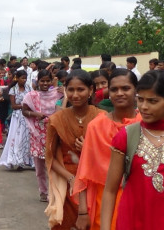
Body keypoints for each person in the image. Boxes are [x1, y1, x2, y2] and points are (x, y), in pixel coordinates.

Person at [73, 69, 140, 230]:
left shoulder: (145, 124)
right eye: (114, 89)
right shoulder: (96, 126)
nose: (119, 93)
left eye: (125, 88)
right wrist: (82, 213)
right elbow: (84, 172)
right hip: (104, 201)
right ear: (108, 92)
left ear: (136, 90)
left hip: (140, 199)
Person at [101, 70, 164, 230]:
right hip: (132, 221)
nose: (144, 106)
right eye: (140, 99)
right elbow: (110, 191)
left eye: (152, 101)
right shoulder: (128, 136)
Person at [44, 69, 104, 229]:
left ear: (91, 90)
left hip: (95, 182)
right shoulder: (56, 120)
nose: (75, 95)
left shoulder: (102, 118)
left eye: (81, 89)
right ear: (65, 90)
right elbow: (50, 157)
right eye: (71, 89)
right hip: (67, 184)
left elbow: (110, 155)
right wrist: (71, 179)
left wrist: (89, 150)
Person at [22, 70, 63, 202]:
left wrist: (65, 91)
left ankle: (54, 191)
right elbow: (24, 111)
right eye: (42, 81)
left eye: (47, 81)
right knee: (39, 166)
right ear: (37, 81)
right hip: (37, 133)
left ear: (51, 81)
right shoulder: (31, 96)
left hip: (54, 132)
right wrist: (35, 114)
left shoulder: (58, 94)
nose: (45, 83)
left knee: (53, 164)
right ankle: (43, 191)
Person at [0, 70, 31, 169]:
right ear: (17, 78)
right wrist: (24, 106)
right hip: (18, 116)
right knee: (16, 138)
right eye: (22, 78)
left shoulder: (29, 88)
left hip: (27, 116)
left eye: (25, 78)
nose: (24, 80)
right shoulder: (13, 89)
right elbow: (13, 106)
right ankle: (15, 159)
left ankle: (25, 160)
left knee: (26, 138)